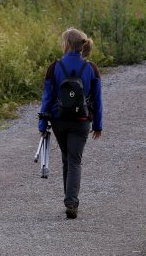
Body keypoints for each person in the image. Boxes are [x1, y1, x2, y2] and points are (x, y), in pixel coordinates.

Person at [38, 27, 103, 219]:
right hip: (82, 120)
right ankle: (71, 202)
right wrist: (98, 125)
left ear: (66, 44)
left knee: (67, 158)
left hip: (59, 120)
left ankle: (69, 200)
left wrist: (42, 125)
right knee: (75, 160)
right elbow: (98, 99)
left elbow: (47, 98)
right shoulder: (91, 68)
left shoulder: (54, 67)